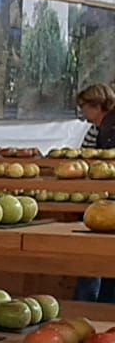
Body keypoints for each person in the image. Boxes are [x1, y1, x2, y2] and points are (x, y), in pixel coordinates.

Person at [76, 84, 115, 302]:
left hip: (107, 203)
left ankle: (94, 307)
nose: (83, 113)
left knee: (98, 259)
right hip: (104, 202)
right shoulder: (98, 129)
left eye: (84, 107)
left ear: (97, 105)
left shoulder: (110, 129)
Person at [79, 83, 115, 150]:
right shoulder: (95, 128)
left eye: (82, 105)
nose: (82, 110)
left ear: (97, 107)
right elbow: (85, 153)